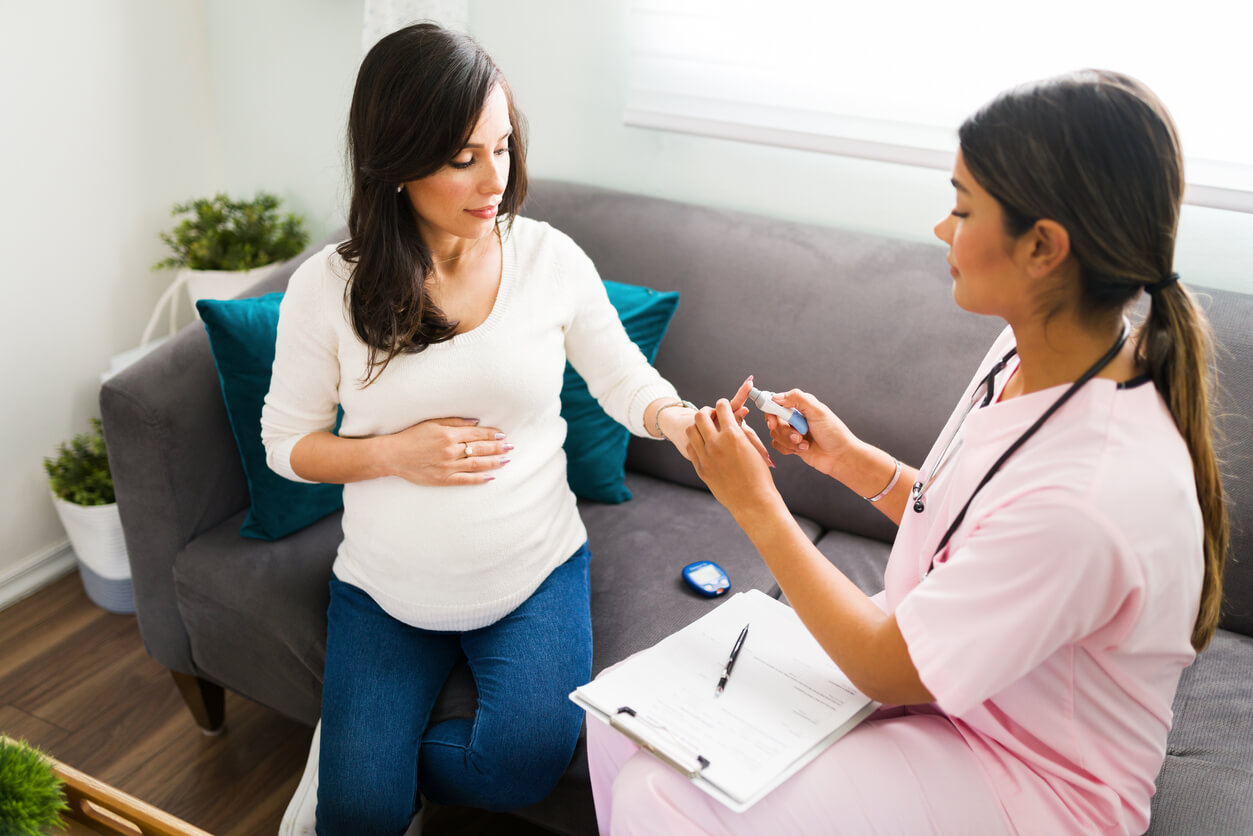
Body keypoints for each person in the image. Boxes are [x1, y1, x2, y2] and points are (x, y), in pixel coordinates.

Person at [588, 70, 1228, 835]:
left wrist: (752, 502)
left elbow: (889, 665)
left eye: (961, 208)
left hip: (1027, 779)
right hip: (958, 683)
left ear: (1042, 248)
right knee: (622, 715)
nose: (939, 230)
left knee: (660, 795)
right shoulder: (1032, 351)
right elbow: (979, 528)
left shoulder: (1091, 496)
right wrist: (854, 462)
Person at [263, 23, 705, 835]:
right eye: (463, 157)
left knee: (519, 769)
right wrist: (393, 453)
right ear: (394, 160)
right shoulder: (326, 289)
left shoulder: (548, 259)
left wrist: (681, 421)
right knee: (358, 816)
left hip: (532, 573)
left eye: (502, 147)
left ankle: (371, 754)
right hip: (384, 590)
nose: (493, 178)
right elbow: (285, 449)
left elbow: (620, 379)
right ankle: (363, 764)